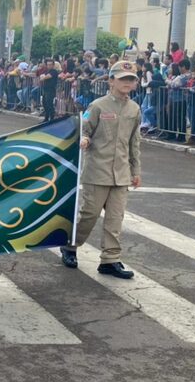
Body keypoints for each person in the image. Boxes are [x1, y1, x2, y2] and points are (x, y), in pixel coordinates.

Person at [60, 59, 142, 279]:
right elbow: (84, 129)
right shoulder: (97, 106)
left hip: (121, 173)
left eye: (131, 80)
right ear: (111, 80)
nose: (127, 83)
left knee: (115, 219)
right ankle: (70, 246)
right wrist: (85, 139)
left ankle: (110, 260)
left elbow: (135, 142)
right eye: (123, 79)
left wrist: (136, 171)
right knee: (89, 215)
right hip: (98, 170)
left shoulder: (134, 109)